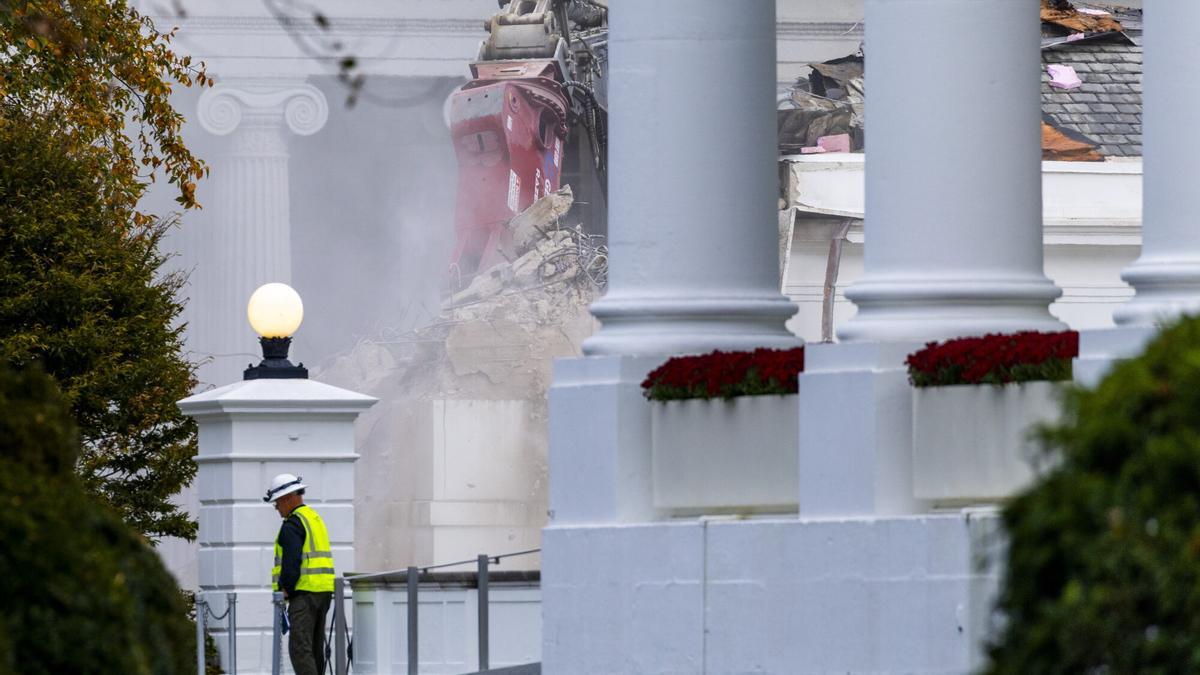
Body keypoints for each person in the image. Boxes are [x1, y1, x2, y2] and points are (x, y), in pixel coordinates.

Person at [263, 473, 334, 675]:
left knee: (299, 649)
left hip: (304, 594)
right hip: (323, 591)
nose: (276, 508)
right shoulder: (313, 518)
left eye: (277, 503)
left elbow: (292, 561)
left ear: (287, 498)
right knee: (314, 648)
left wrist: (285, 589)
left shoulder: (292, 525)